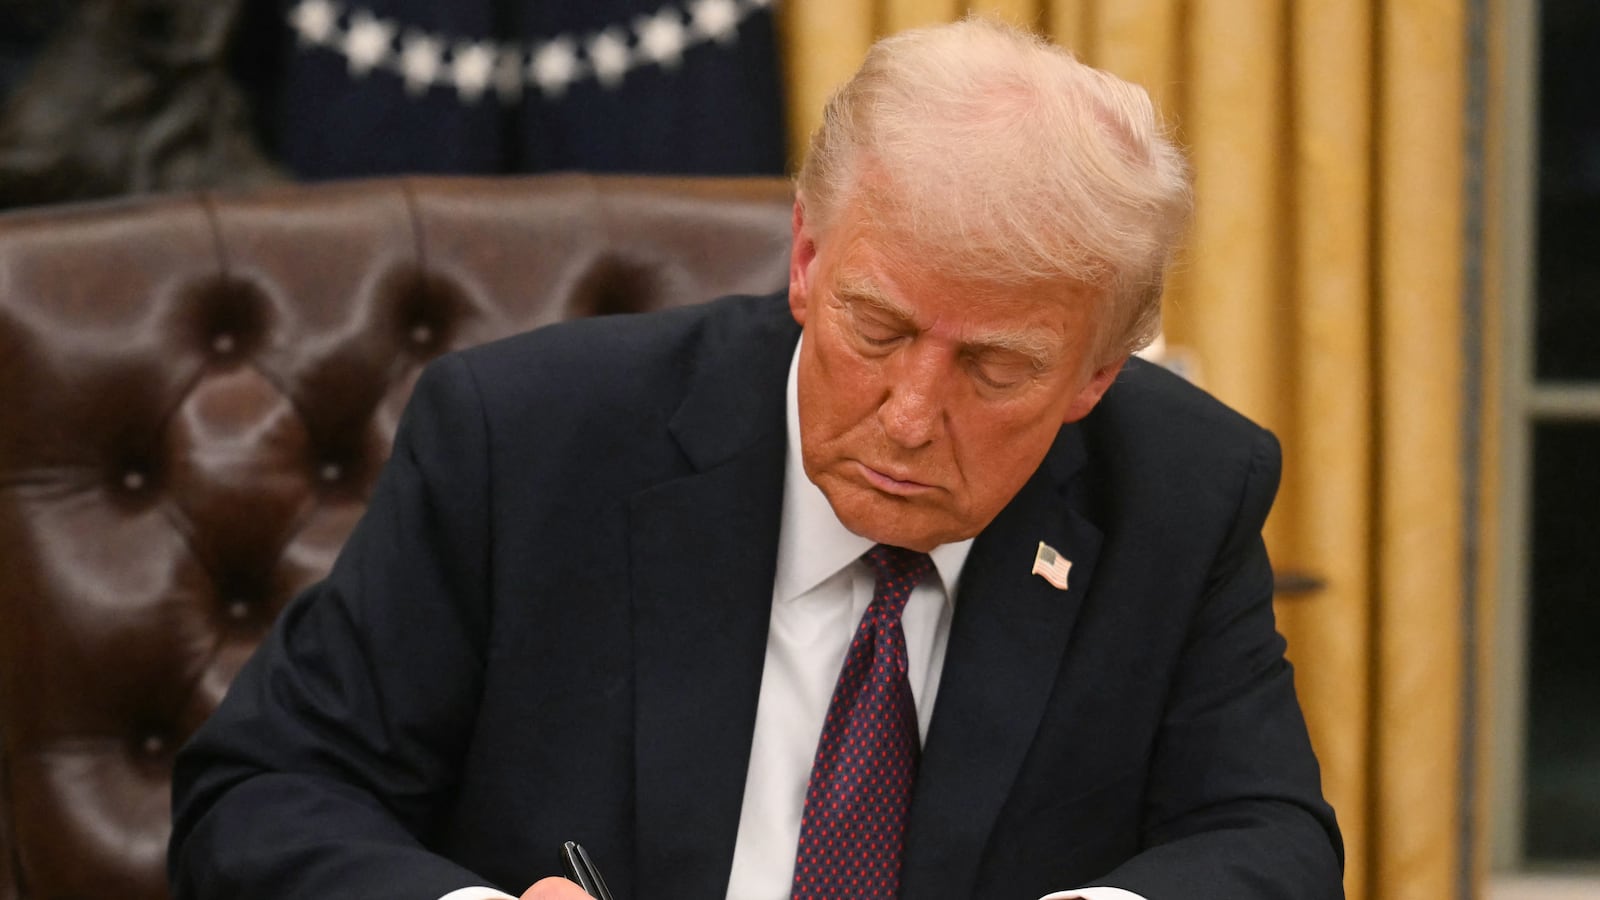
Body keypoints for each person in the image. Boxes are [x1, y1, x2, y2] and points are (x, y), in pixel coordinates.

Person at [168, 17, 1342, 900]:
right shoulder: (525, 442)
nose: (908, 414)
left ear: (1097, 374)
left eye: (994, 369)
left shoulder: (1181, 492)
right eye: (874, 329)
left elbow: (1272, 844)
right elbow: (259, 798)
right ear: (804, 257)